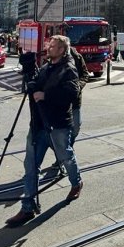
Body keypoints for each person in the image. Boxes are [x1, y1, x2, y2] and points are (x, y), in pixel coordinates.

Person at [6, 35, 83, 227]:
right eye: (49, 45)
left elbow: (72, 94)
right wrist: (30, 76)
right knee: (31, 166)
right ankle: (27, 208)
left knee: (66, 157)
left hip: (58, 125)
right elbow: (36, 87)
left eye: (54, 46)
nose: (49, 48)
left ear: (62, 51)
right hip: (39, 124)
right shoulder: (46, 67)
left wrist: (46, 95)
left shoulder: (68, 69)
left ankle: (76, 182)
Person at [44, 45, 90, 178]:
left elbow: (85, 74)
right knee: (60, 134)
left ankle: (64, 153)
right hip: (61, 103)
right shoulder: (52, 60)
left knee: (75, 128)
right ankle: (63, 156)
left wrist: (78, 86)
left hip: (75, 101)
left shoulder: (76, 56)